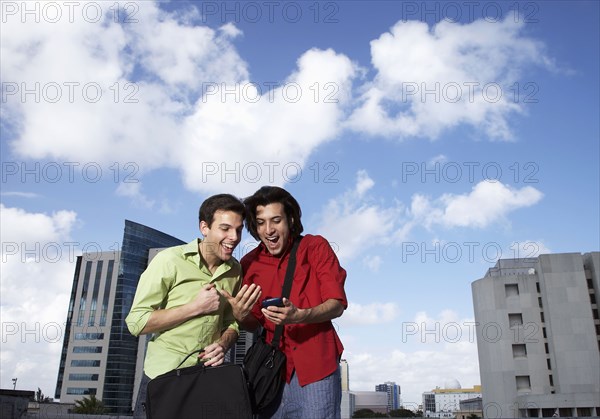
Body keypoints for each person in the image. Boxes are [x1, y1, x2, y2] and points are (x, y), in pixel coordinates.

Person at [224, 186, 348, 419]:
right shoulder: (249, 263)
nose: (268, 230)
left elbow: (337, 304)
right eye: (261, 222)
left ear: (290, 219)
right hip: (271, 371)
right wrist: (240, 316)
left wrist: (300, 315)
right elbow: (255, 324)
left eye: (276, 220)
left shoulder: (315, 247)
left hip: (316, 368)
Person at [126, 193, 246, 418]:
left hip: (208, 379)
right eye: (225, 228)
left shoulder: (235, 271)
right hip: (164, 377)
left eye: (239, 230)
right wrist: (195, 307)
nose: (234, 237)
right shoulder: (169, 260)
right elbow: (136, 322)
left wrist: (223, 343)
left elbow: (232, 323)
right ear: (204, 227)